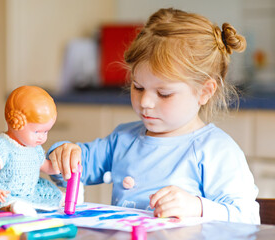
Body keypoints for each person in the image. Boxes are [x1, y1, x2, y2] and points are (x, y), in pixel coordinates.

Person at [47, 8, 260, 224]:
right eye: (138, 87)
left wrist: (197, 206)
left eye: (163, 93)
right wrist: (63, 154)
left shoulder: (216, 150)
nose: (145, 102)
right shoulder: (123, 138)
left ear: (204, 92)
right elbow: (73, 170)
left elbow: (248, 218)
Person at [0, 86, 63, 216]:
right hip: (0, 191)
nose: (42, 137)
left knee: (52, 193)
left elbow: (45, 166)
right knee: (1, 202)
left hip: (27, 191)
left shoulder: (35, 147)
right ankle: (13, 207)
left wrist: (59, 167)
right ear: (16, 122)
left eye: (46, 131)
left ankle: (65, 199)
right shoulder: (2, 145)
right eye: (37, 131)